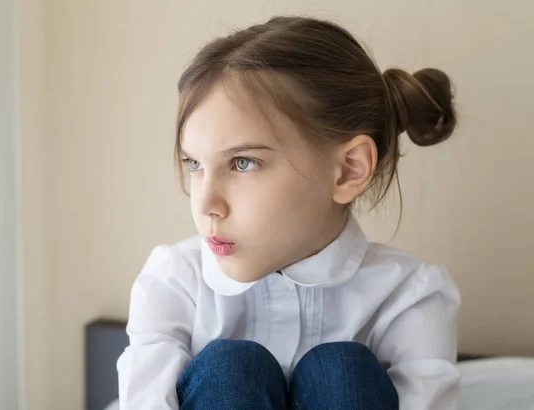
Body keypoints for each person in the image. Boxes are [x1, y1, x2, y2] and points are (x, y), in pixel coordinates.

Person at [117, 15, 460, 410]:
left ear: (349, 169)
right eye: (194, 164)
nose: (206, 204)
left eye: (243, 163)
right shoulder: (174, 281)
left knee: (342, 370)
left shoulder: (408, 297)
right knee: (231, 369)